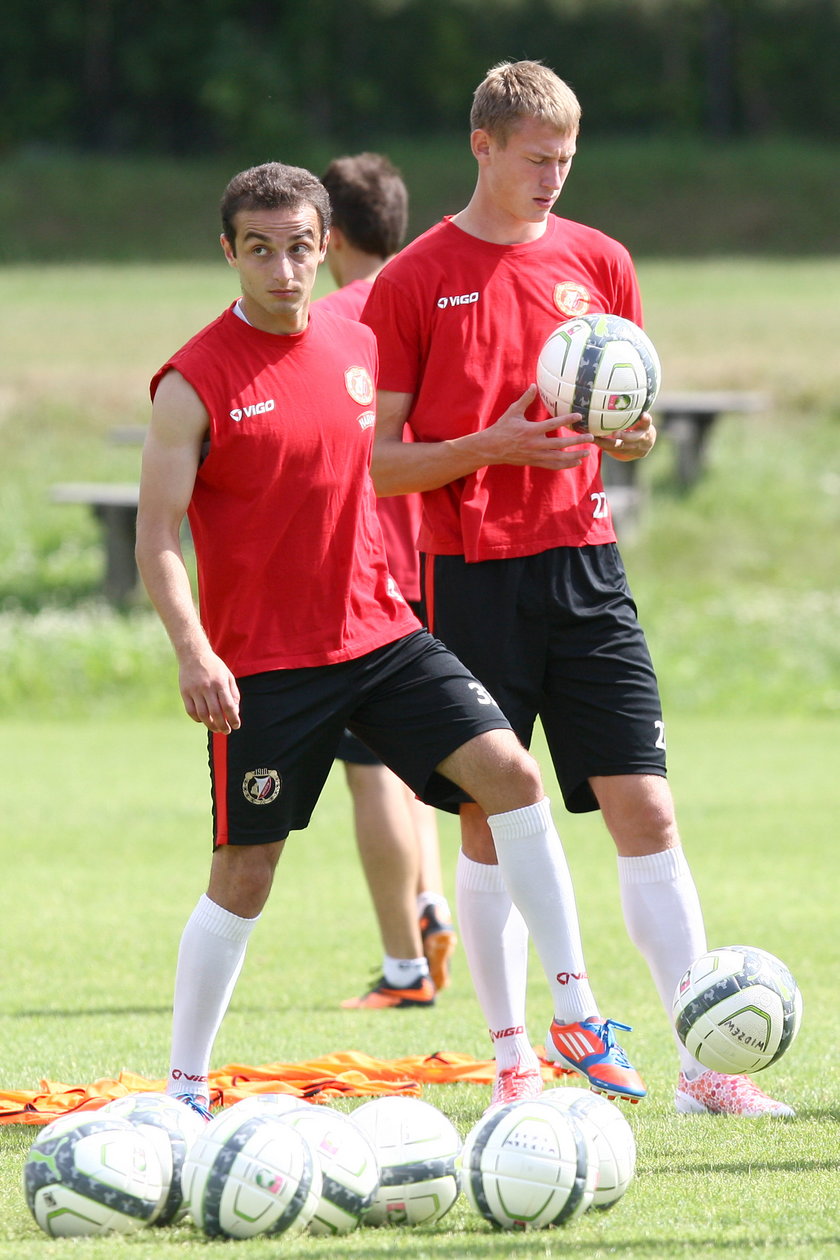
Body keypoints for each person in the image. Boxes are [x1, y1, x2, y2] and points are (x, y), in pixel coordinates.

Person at [134, 159, 642, 1122]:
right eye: (260, 250)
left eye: (299, 248)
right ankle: (184, 1089)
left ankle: (575, 1014)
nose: (283, 270)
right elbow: (156, 533)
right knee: (245, 878)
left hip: (382, 635)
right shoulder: (192, 382)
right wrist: (194, 650)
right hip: (268, 665)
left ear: (325, 248)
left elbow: (416, 444)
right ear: (229, 253)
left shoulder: (359, 339)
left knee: (514, 778)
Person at [362, 60, 794, 1118]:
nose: (555, 176)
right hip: (467, 578)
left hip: (587, 568)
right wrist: (491, 446)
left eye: (567, 158)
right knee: (483, 822)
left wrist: (630, 433)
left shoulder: (601, 260)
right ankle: (519, 1065)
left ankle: (704, 1072)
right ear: (483, 146)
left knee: (646, 807)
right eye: (535, 158)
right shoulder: (414, 279)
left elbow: (631, 421)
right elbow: (375, 460)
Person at [317, 153, 456, 1009]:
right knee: (422, 763)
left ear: (325, 234)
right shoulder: (432, 301)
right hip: (444, 559)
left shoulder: (329, 319)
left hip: (363, 572)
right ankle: (433, 904)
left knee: (367, 772)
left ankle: (404, 966)